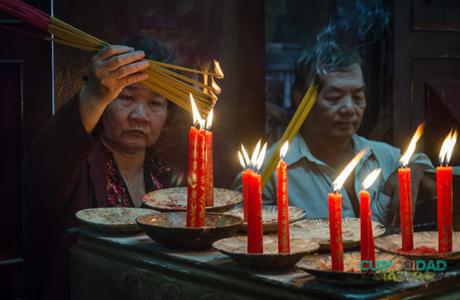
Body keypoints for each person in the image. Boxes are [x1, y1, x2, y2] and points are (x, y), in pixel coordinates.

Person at [24, 35, 179, 300]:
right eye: (126, 98)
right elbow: (49, 159)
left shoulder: (168, 179)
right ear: (104, 103)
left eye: (155, 103)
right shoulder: (76, 166)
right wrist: (94, 93)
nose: (140, 115)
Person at [257, 44, 435, 227]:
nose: (349, 109)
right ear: (300, 99)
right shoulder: (269, 172)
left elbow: (432, 178)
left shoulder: (383, 157)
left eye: (358, 97)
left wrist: (415, 171)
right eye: (334, 98)